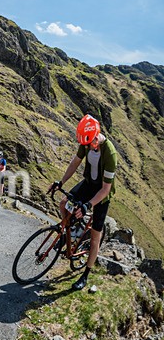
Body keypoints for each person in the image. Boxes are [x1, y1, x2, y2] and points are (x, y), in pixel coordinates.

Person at [48, 114, 119, 291]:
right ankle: (68, 234)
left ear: (98, 135)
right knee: (64, 204)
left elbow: (105, 190)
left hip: (102, 193)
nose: (89, 146)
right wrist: (61, 182)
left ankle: (85, 275)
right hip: (88, 184)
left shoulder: (109, 152)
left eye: (92, 142)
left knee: (95, 236)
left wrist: (88, 205)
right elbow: (75, 163)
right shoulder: (86, 142)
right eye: (86, 143)